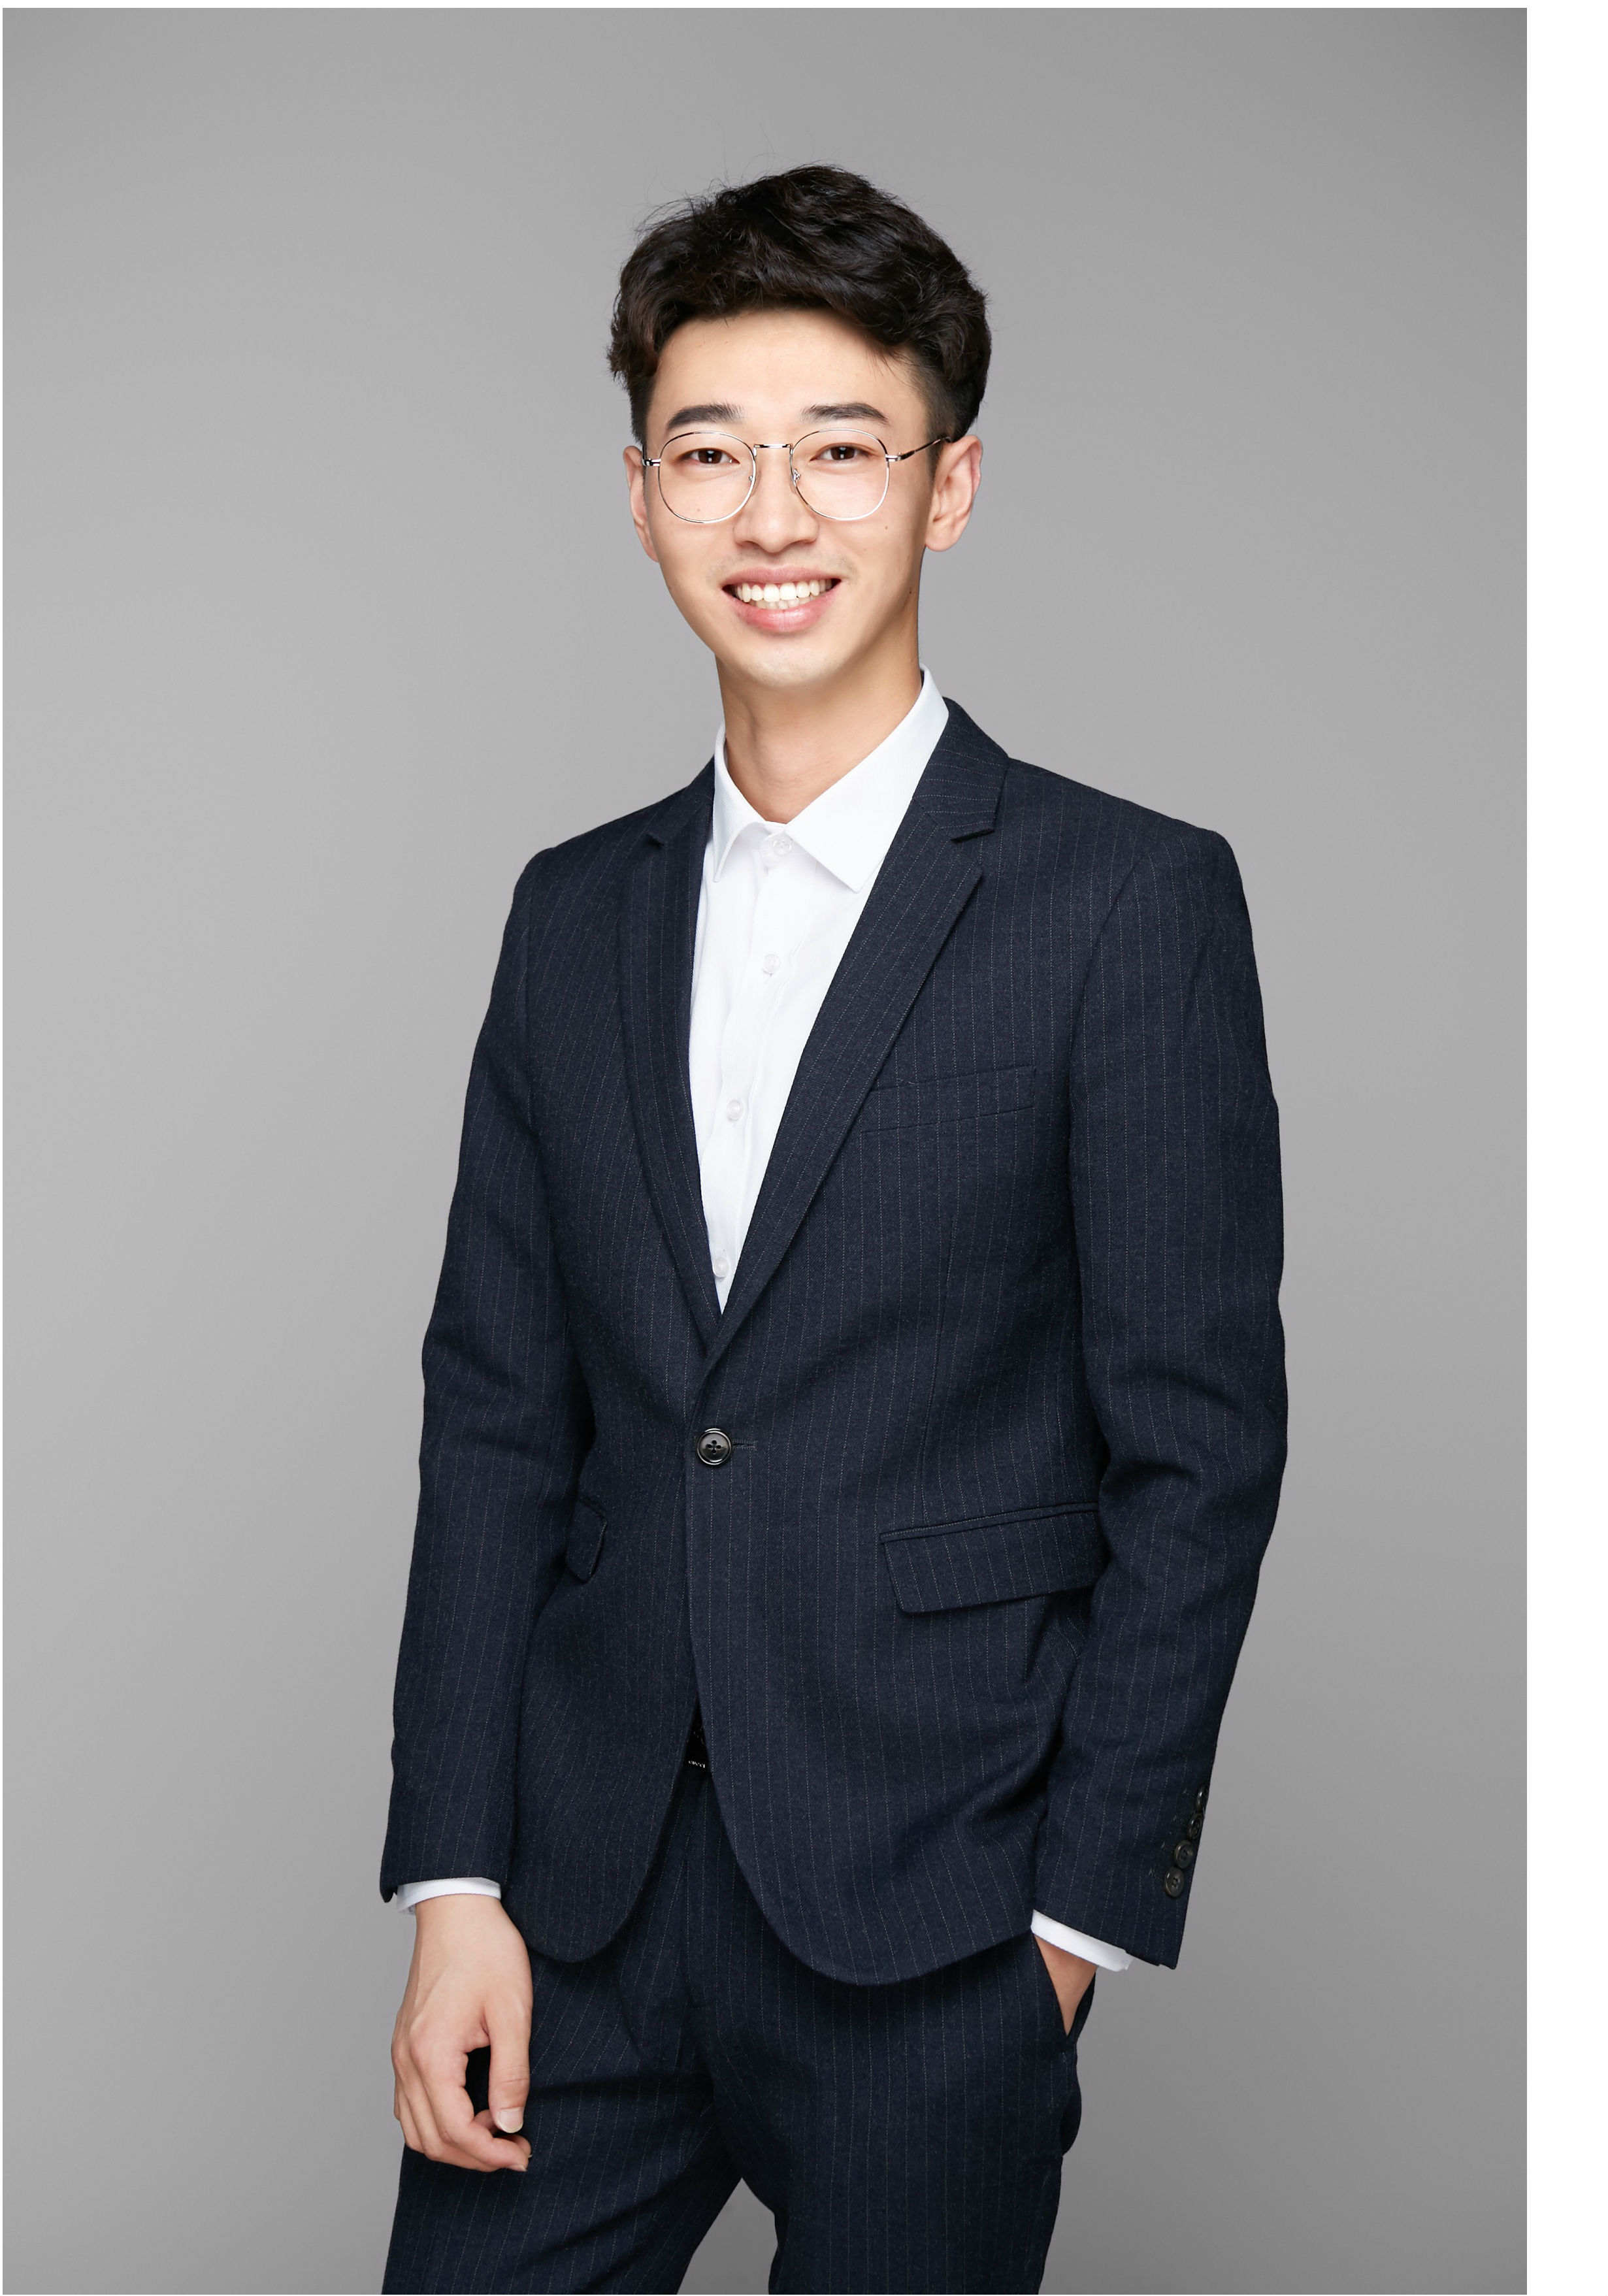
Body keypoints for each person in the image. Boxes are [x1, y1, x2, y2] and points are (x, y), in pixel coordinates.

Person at [379, 163, 1286, 2296]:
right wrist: (456, 1879)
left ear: (947, 487)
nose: (771, 512)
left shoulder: (1124, 904)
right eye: (710, 452)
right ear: (639, 497)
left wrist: (1068, 1931)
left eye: (842, 450)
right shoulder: (569, 914)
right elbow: (496, 1419)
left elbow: (1198, 1450)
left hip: (938, 1912)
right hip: (580, 1904)